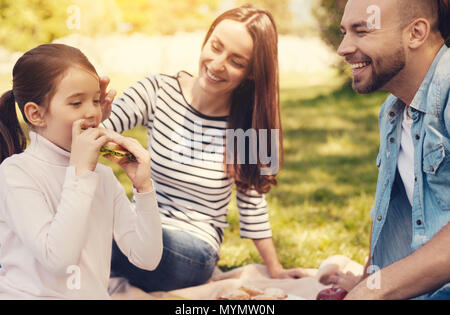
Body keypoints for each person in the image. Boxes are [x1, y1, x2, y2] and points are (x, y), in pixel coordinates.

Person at [100, 5, 311, 292]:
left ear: (251, 73)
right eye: (216, 47)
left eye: (236, 61)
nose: (217, 64)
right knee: (94, 219)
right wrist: (97, 118)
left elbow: (252, 205)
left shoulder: (247, 126)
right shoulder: (157, 92)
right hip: (137, 228)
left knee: (100, 233)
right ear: (207, 39)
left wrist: (274, 269)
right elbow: (95, 136)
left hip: (191, 253)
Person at [0, 43, 163, 299]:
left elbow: (147, 258)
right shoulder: (16, 173)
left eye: (96, 100)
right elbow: (58, 260)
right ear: (36, 114)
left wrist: (143, 188)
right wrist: (80, 173)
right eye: (76, 103)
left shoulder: (103, 177)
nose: (93, 112)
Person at [329, 0, 450, 299]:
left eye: (361, 31)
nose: (343, 48)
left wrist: (376, 290)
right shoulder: (393, 112)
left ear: (416, 33)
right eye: (344, 32)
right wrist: (366, 278)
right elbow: (393, 208)